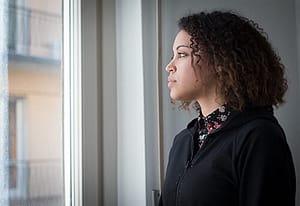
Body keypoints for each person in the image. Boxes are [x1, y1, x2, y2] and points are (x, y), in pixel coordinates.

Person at [159, 10, 296, 206]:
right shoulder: (182, 141)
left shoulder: (258, 137)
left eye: (181, 54)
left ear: (220, 62)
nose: (169, 66)